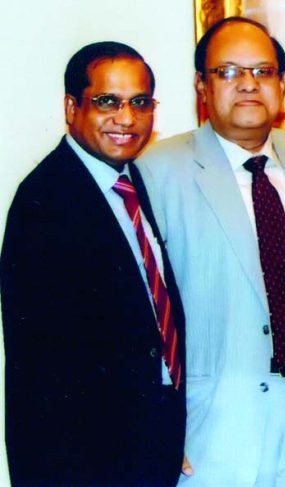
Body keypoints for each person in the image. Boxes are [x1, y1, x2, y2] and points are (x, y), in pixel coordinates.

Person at [135, 17, 285, 486]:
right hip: (214, 428)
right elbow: (140, 314)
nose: (248, 85)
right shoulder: (157, 169)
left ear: (282, 84)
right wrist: (157, 425)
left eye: (263, 72)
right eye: (228, 72)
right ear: (201, 87)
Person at [0, 41, 186, 486]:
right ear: (71, 107)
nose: (127, 118)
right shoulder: (46, 202)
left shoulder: (127, 180)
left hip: (147, 446)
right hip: (89, 466)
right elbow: (42, 375)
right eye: (108, 102)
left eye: (140, 102)